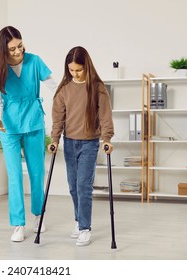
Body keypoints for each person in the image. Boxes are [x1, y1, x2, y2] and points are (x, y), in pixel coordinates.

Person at [0, 26, 57, 242]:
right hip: (9, 127)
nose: (18, 51)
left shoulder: (34, 61)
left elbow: (54, 86)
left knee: (37, 173)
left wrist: (69, 102)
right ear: (3, 50)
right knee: (15, 176)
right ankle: (18, 224)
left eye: (20, 45)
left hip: (34, 123)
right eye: (12, 49)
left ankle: (39, 215)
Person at [49, 46, 114, 247]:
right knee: (72, 186)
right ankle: (78, 221)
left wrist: (107, 139)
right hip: (69, 142)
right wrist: (54, 139)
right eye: (71, 70)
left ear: (87, 66)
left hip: (90, 143)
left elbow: (105, 116)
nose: (75, 73)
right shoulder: (64, 90)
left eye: (79, 70)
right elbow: (58, 119)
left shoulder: (97, 88)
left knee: (83, 186)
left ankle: (85, 228)